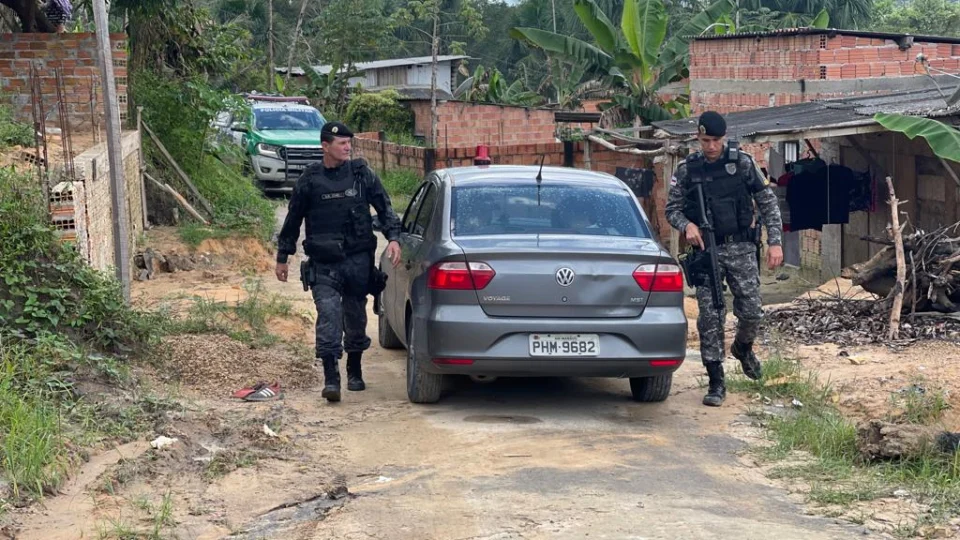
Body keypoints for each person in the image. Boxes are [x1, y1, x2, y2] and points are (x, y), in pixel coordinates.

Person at [275, 121, 402, 403]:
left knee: (355, 319)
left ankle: (354, 370)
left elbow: (384, 207)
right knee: (329, 316)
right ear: (325, 146)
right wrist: (283, 257)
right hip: (324, 263)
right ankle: (331, 378)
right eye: (342, 143)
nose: (347, 148)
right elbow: (293, 219)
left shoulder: (361, 175)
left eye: (349, 143)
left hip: (357, 261)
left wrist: (393, 237)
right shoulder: (310, 179)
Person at [665, 111, 784, 407]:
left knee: (753, 310)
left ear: (725, 137)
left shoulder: (742, 164)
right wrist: (687, 226)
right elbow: (672, 209)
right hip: (706, 250)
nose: (711, 146)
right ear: (698, 138)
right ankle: (716, 380)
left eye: (716, 140)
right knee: (710, 316)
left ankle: (743, 348)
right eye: (705, 140)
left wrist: (776, 243)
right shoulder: (687, 169)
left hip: (741, 247)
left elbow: (768, 203)